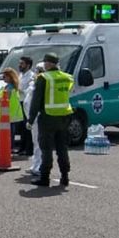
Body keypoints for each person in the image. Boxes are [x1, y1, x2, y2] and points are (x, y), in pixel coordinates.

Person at [27, 53, 73, 188]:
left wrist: (30, 119)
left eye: (45, 62)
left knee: (46, 149)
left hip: (48, 117)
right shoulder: (68, 77)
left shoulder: (43, 78)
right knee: (62, 148)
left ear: (48, 63)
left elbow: (36, 101)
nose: (45, 65)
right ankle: (65, 176)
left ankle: (45, 177)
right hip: (64, 116)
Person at [0, 68, 24, 153]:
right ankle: (9, 148)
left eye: (5, 76)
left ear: (10, 77)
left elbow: (5, 100)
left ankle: (9, 149)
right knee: (9, 133)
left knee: (8, 134)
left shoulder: (10, 87)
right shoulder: (8, 86)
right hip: (8, 114)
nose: (3, 78)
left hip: (9, 114)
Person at [23, 63, 45, 176]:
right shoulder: (34, 84)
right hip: (33, 119)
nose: (36, 73)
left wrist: (32, 119)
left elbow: (35, 104)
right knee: (35, 143)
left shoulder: (42, 85)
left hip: (38, 119)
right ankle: (35, 165)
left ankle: (40, 166)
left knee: (40, 143)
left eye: (39, 71)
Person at [16, 56, 35, 155]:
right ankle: (21, 148)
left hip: (27, 103)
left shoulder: (31, 76)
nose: (20, 65)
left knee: (27, 127)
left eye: (22, 63)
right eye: (20, 63)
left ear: (28, 65)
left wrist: (21, 91)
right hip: (19, 102)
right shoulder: (20, 75)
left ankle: (29, 149)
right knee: (21, 127)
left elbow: (30, 90)